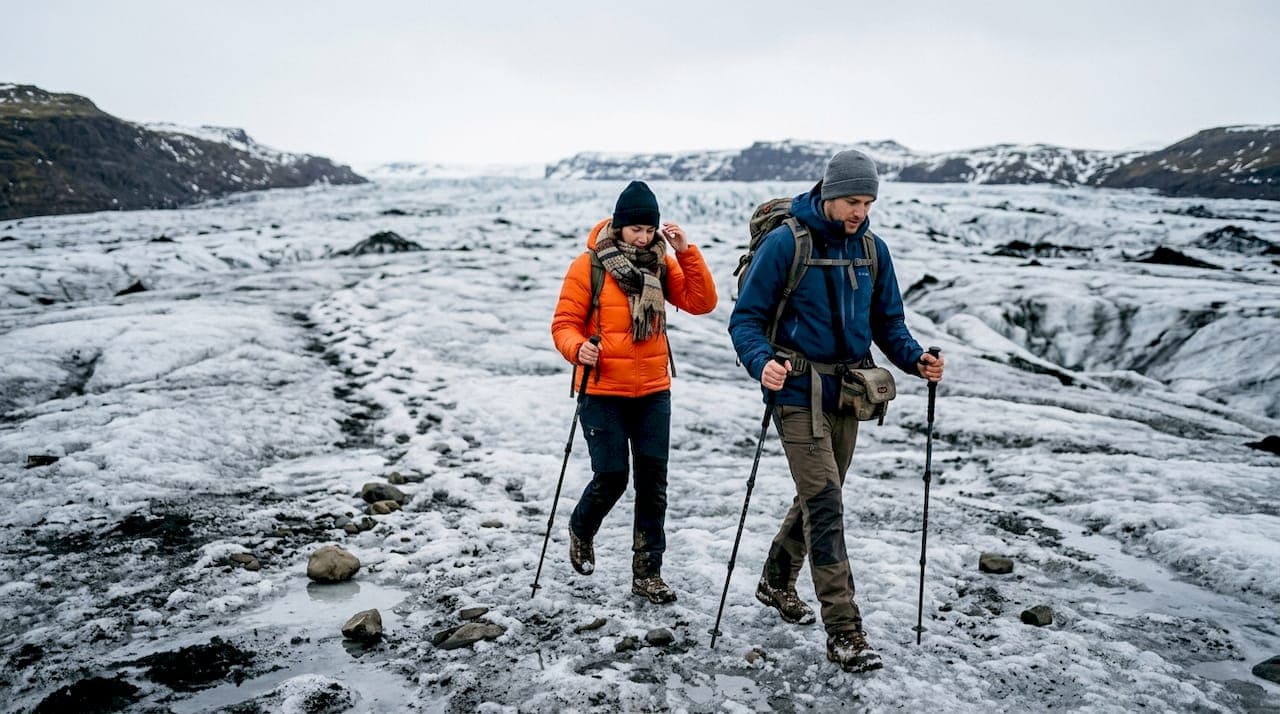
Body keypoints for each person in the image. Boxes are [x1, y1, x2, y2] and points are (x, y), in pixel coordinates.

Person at [728, 150, 945, 672]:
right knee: (825, 503)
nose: (860, 211)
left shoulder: (873, 250)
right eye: (852, 200)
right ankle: (845, 632)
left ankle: (776, 580)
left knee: (819, 496)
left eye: (868, 202)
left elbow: (888, 323)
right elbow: (746, 321)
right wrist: (763, 365)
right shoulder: (786, 244)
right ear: (828, 194)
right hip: (797, 391)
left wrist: (917, 359)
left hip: (849, 392)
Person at [551, 180, 718, 604]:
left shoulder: (662, 265)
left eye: (649, 230)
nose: (643, 238)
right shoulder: (587, 266)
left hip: (653, 390)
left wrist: (686, 252)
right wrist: (578, 349)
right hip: (602, 388)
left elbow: (703, 303)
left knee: (652, 484)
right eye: (635, 230)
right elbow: (563, 325)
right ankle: (581, 527)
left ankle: (648, 574)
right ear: (619, 227)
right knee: (611, 477)